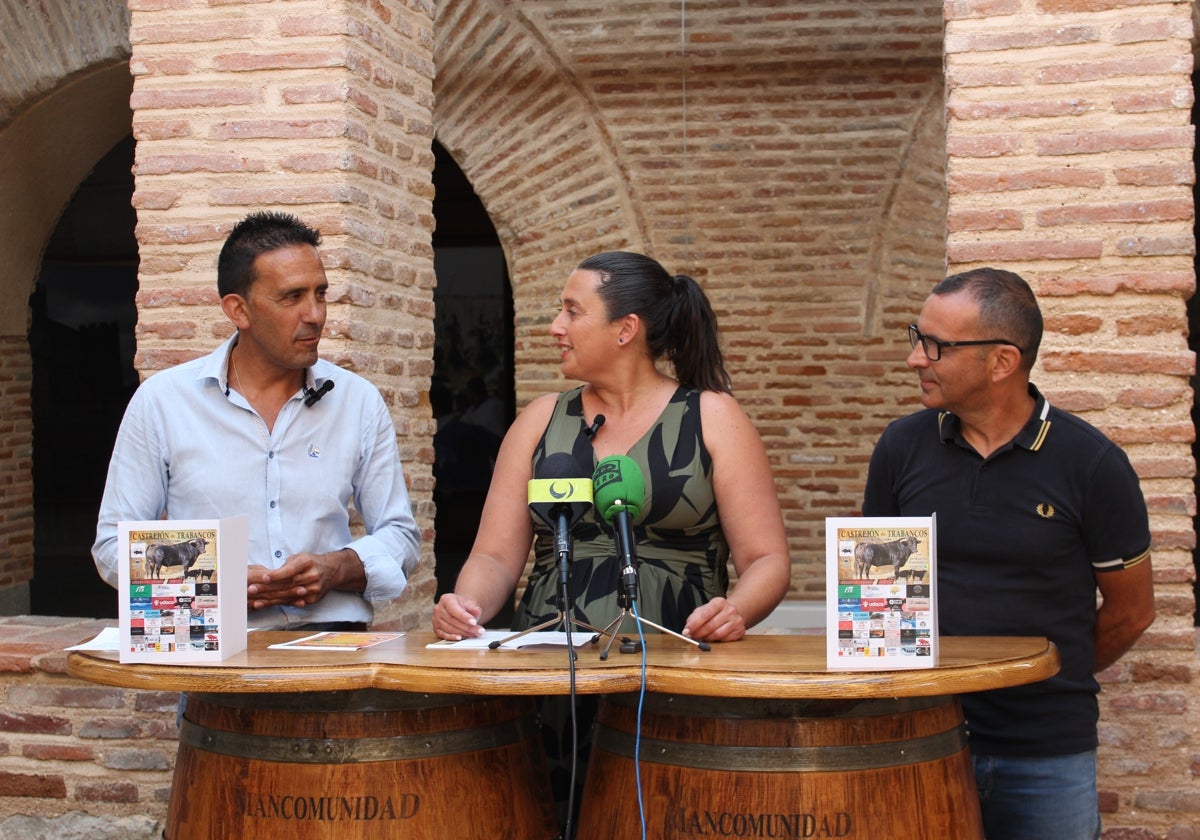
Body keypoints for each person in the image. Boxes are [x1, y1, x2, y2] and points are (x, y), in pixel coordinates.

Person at [432, 251, 791, 827]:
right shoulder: (541, 419)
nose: (555, 326)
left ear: (627, 329)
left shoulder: (712, 416)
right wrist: (465, 604)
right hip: (552, 671)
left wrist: (738, 611)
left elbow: (767, 559)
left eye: (572, 311)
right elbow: (495, 555)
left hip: (673, 665)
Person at [862, 267, 1155, 840]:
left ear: (1001, 361)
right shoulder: (899, 447)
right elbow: (877, 600)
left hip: (1047, 752)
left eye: (936, 346)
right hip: (920, 740)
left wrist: (1040, 676)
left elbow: (1131, 612)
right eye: (915, 337)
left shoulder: (1092, 464)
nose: (915, 359)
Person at [92, 211, 422, 631]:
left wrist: (338, 567)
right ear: (239, 310)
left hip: (336, 649)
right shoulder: (163, 402)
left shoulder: (358, 400)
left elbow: (401, 536)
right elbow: (111, 548)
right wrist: (211, 580)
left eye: (320, 294)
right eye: (292, 297)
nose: (316, 314)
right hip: (216, 645)